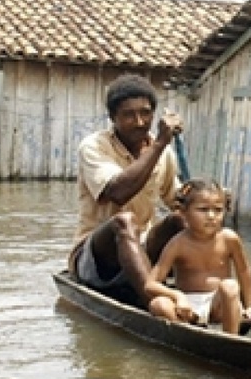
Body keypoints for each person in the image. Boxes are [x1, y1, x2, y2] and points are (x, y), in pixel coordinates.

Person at [68, 73, 186, 307]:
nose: (140, 122)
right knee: (124, 221)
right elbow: (118, 192)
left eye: (145, 113)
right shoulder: (94, 146)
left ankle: (205, 291)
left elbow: (177, 199)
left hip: (143, 250)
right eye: (129, 115)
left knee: (180, 218)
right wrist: (160, 144)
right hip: (96, 259)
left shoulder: (164, 153)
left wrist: (207, 199)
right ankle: (154, 303)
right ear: (113, 117)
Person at [145, 179, 251, 335]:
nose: (211, 216)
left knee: (229, 286)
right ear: (183, 212)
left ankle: (231, 339)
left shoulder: (229, 239)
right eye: (203, 210)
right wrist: (178, 296)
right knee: (158, 304)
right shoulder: (178, 244)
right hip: (188, 307)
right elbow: (150, 284)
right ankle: (187, 335)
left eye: (218, 210)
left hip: (220, 304)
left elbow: (244, 272)